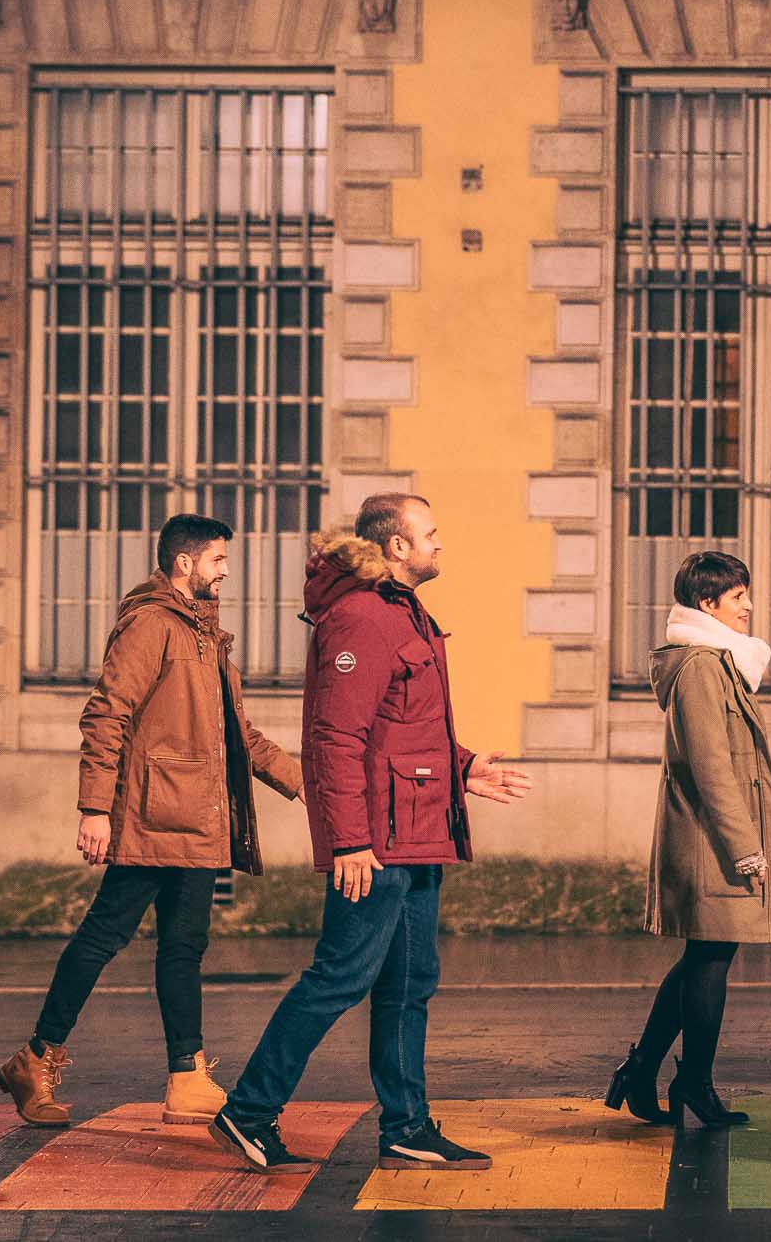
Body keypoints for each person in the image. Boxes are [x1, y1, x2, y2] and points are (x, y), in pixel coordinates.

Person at [208, 494, 534, 1175]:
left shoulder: (402, 610)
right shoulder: (361, 616)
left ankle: (406, 1126)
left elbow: (403, 727)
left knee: (411, 982)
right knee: (340, 976)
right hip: (378, 840)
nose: (439, 544)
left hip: (417, 830)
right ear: (396, 547)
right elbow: (335, 737)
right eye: (430, 533)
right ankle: (249, 1110)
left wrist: (464, 769)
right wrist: (349, 842)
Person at [0, 514, 304, 1128]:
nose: (225, 570)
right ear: (185, 563)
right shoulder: (151, 625)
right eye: (217, 559)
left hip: (197, 819)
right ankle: (36, 1057)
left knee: (185, 948)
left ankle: (186, 1078)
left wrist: (306, 785)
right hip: (151, 816)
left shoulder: (205, 633)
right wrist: (94, 808)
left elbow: (238, 736)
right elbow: (106, 714)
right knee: (103, 938)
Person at [607, 551, 771, 1130]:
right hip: (710, 840)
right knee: (709, 958)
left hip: (711, 836)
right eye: (737, 597)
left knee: (704, 956)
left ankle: (646, 1070)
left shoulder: (717, 661)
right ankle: (691, 1082)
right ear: (708, 604)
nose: (748, 606)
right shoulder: (703, 666)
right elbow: (711, 766)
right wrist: (745, 847)